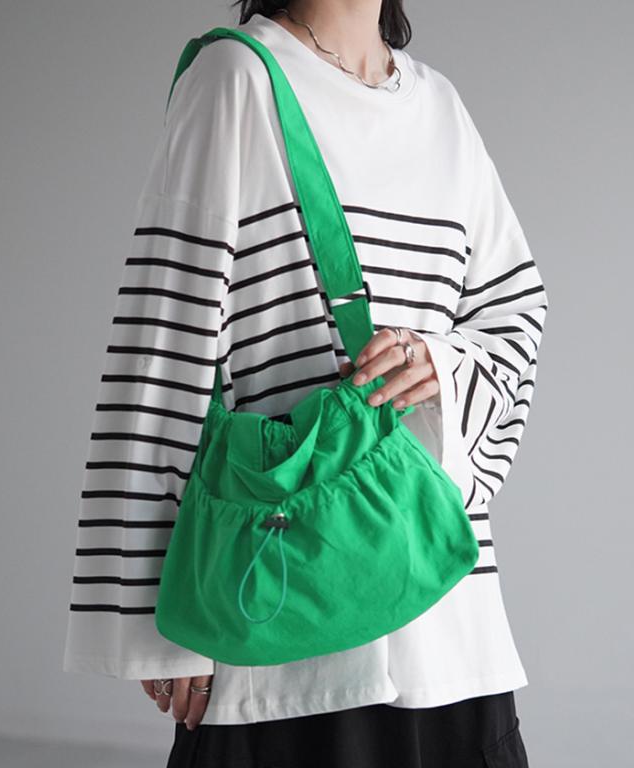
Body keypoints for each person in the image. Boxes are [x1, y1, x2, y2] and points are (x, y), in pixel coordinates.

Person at [63, 1, 548, 765]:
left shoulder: (440, 107)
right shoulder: (236, 77)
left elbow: (515, 315)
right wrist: (161, 626)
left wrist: (441, 365)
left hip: (451, 632)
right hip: (280, 643)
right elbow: (164, 343)